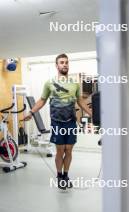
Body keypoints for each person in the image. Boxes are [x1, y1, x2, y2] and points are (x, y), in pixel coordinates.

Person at [23, 53, 92, 190]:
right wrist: (31, 112)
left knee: (69, 149)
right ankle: (59, 176)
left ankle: (66, 175)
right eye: (62, 62)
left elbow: (80, 101)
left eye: (66, 62)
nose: (64, 64)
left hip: (71, 121)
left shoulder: (74, 84)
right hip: (57, 121)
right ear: (57, 65)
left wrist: (92, 114)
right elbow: (42, 100)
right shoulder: (49, 83)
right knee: (60, 150)